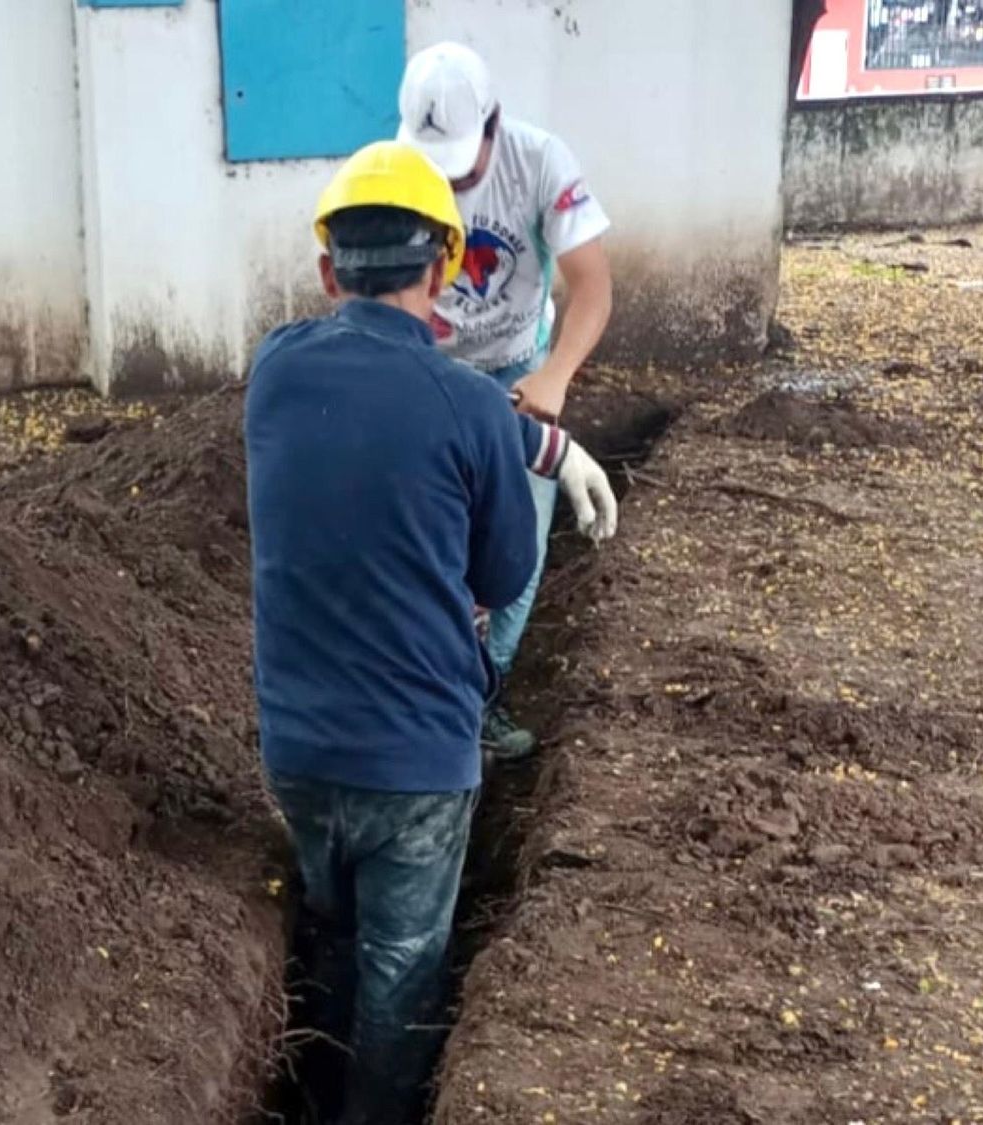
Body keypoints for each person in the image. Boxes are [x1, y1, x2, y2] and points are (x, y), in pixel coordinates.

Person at [245, 141, 615, 1125]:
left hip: (297, 746)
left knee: (328, 933)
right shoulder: (468, 411)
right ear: (446, 267)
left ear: (330, 271)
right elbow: (501, 574)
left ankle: (303, 1081)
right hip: (418, 764)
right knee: (403, 976)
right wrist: (543, 441)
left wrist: (524, 433)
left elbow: (391, 397)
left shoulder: (273, 372)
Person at [397, 41, 614, 759]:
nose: (451, 188)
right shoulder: (392, 174)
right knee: (428, 543)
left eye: (462, 170)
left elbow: (592, 287)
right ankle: (422, 695)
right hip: (428, 375)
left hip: (516, 377)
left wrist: (554, 375)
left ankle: (486, 694)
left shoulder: (541, 162)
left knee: (515, 544)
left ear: (493, 126)